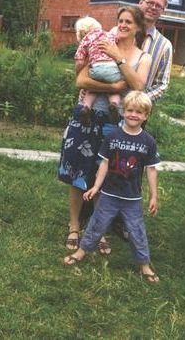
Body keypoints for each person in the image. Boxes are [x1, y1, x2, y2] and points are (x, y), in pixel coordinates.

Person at [61, 0, 173, 253]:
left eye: (128, 22)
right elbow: (81, 79)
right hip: (89, 117)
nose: (123, 25)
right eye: (120, 21)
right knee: (78, 172)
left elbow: (138, 85)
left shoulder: (143, 56)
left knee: (106, 176)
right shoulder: (103, 42)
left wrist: (118, 60)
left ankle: (98, 231)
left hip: (117, 124)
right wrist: (112, 88)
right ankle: (74, 226)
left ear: (138, 29)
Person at [63, 91, 160, 283]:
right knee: (96, 224)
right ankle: (81, 252)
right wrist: (96, 187)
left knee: (137, 230)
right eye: (130, 110)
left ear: (146, 116)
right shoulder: (113, 135)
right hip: (108, 194)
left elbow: (151, 170)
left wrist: (154, 196)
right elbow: (104, 164)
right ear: (123, 112)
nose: (134, 115)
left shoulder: (148, 141)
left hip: (132, 198)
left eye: (139, 112)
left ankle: (144, 265)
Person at [73, 16, 121, 125]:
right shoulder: (109, 34)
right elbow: (117, 41)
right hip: (111, 68)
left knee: (91, 89)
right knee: (114, 90)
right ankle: (113, 104)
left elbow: (79, 61)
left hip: (96, 68)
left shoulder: (86, 38)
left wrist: (78, 73)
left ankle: (86, 107)